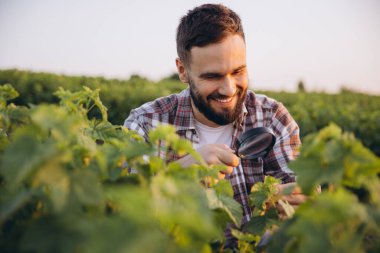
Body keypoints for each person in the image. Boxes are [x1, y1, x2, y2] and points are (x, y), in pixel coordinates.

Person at [124, 3, 305, 247]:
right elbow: (123, 214)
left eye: (238, 71)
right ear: (183, 71)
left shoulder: (272, 118)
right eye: (213, 76)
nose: (229, 89)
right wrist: (177, 176)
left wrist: (297, 202)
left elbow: (298, 198)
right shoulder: (146, 124)